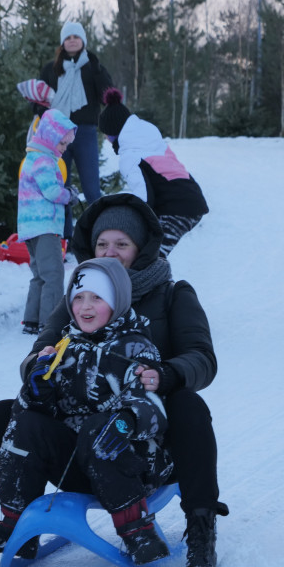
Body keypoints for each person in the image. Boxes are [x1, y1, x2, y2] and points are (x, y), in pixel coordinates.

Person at [0, 193, 226, 567]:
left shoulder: (172, 294)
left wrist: (165, 375)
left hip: (142, 441)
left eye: (122, 244)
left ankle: (201, 529)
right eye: (102, 244)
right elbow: (37, 354)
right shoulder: (79, 299)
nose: (110, 253)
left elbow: (203, 358)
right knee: (2, 413)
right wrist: (38, 370)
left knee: (189, 405)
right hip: (78, 445)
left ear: (141, 248)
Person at [0, 257, 173, 565]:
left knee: (100, 428)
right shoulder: (64, 347)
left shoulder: (135, 348)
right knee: (26, 424)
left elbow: (154, 409)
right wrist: (37, 391)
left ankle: (138, 530)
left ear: (118, 300)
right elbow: (32, 413)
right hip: (77, 466)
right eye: (78, 298)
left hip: (132, 465)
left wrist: (127, 420)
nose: (85, 306)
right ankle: (16, 528)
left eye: (97, 298)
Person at [97, 88, 209, 257]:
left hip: (177, 209)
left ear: (114, 133)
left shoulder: (130, 156)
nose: (106, 139)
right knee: (152, 255)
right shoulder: (150, 142)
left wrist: (134, 225)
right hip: (192, 199)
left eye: (107, 134)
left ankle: (155, 282)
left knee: (152, 257)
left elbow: (144, 198)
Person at [36, 21, 113, 206]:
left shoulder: (92, 67)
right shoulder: (50, 69)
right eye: (68, 38)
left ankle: (98, 232)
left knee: (92, 188)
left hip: (84, 133)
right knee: (61, 187)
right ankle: (65, 234)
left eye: (76, 37)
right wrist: (42, 113)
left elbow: (107, 96)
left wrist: (97, 70)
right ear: (62, 42)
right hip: (57, 135)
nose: (72, 41)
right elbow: (37, 98)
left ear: (83, 41)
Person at [17, 108, 77, 337]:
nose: (64, 149)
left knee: (40, 275)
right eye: (62, 144)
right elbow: (52, 192)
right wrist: (69, 194)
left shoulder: (33, 158)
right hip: (44, 226)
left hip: (31, 227)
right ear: (51, 139)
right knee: (54, 274)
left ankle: (32, 320)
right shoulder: (43, 160)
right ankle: (50, 323)